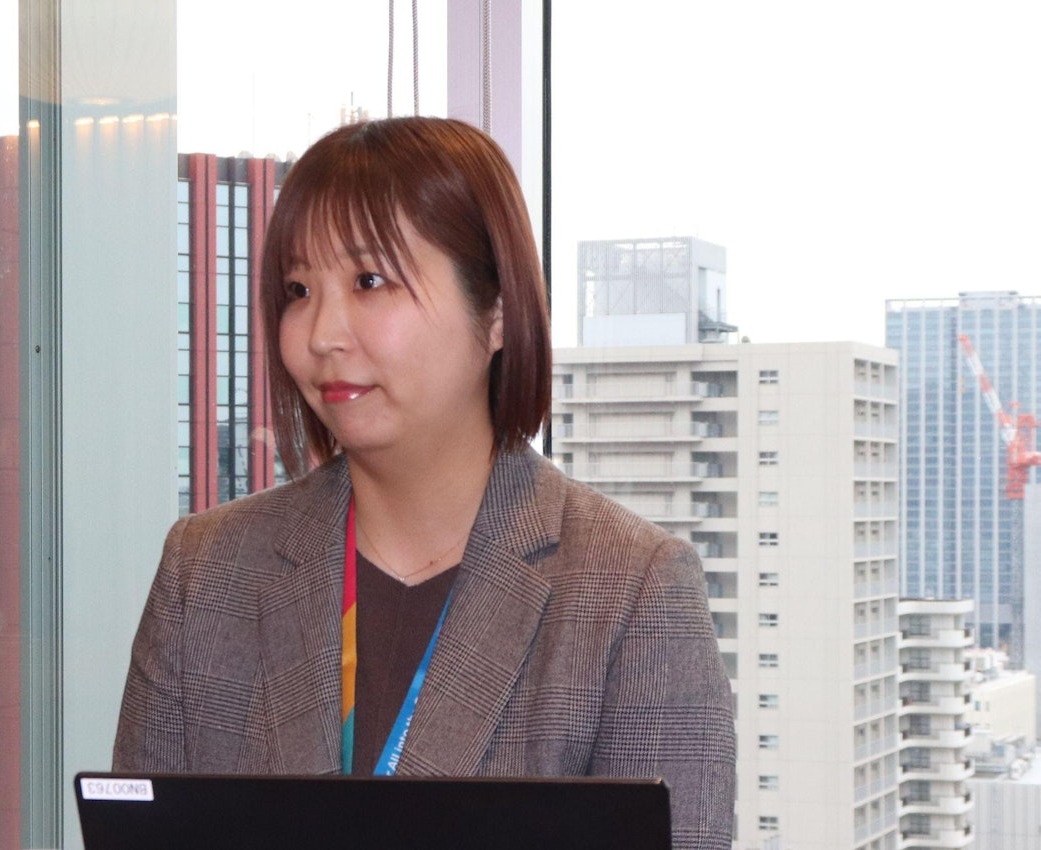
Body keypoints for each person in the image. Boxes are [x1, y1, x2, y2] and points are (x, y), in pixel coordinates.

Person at [113, 116, 735, 848]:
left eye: (369, 281)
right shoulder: (206, 571)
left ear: (496, 312)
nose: (322, 334)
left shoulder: (631, 591)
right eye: (299, 288)